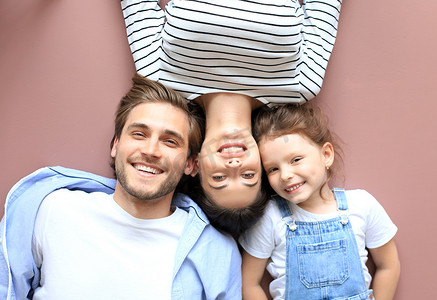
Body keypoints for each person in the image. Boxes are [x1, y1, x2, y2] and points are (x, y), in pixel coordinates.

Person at [0, 74, 242, 300]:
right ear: (116, 146)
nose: (150, 151)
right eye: (139, 134)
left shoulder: (216, 251)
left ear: (191, 164)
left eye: (170, 141)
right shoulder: (52, 209)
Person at [120, 0, 343, 234]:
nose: (234, 165)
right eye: (248, 175)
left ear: (194, 165)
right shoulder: (301, 85)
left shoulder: (157, 74)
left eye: (219, 177)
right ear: (263, 165)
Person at [239, 103, 400, 300]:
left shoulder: (362, 204)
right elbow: (249, 283)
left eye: (296, 160)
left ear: (326, 155)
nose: (285, 175)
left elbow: (388, 265)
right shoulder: (270, 216)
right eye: (273, 169)